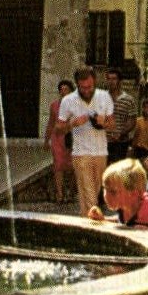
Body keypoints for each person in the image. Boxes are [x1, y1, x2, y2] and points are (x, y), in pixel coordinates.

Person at [55, 65, 113, 218]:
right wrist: (72, 124)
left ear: (94, 82)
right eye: (83, 88)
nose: (87, 91)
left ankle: (85, 221)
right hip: (81, 153)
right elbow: (58, 128)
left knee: (91, 192)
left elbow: (112, 125)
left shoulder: (104, 97)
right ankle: (95, 222)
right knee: (90, 194)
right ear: (77, 85)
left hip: (101, 152)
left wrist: (103, 122)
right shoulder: (68, 101)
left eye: (90, 87)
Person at [88, 159, 148, 235]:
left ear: (134, 193)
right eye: (105, 189)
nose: (106, 195)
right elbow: (124, 221)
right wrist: (103, 219)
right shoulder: (124, 208)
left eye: (113, 192)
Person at [44, 78, 75, 203]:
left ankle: (70, 191)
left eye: (66, 89)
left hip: (71, 138)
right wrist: (46, 140)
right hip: (58, 138)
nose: (63, 92)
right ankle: (60, 193)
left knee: (72, 167)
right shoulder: (54, 106)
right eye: (61, 90)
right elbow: (51, 123)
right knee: (58, 165)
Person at [105, 66, 137, 162]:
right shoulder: (102, 98)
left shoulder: (128, 100)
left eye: (114, 79)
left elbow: (132, 121)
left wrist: (121, 133)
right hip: (103, 141)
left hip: (121, 142)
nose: (111, 82)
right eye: (109, 79)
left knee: (117, 170)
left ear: (119, 81)